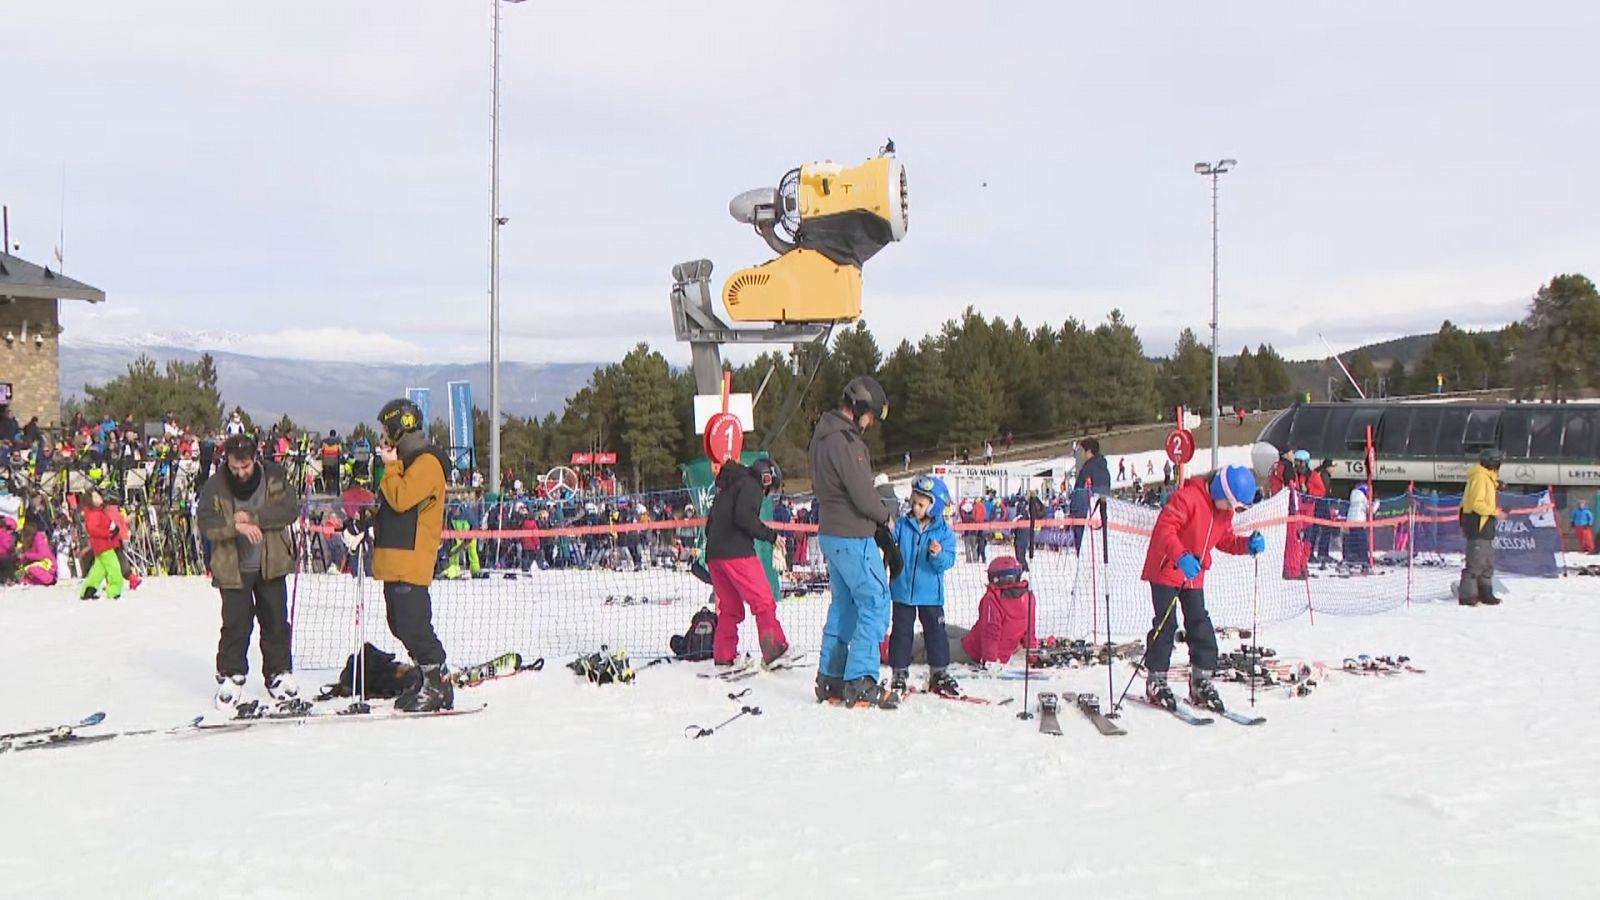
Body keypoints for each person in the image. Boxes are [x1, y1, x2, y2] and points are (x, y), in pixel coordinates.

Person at [1138, 465, 1266, 713]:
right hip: (1166, 566)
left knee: (1199, 621)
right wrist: (1181, 556)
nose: (1231, 511)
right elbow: (1165, 530)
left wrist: (1247, 545)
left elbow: (1225, 540)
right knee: (1166, 624)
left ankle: (1201, 680)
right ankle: (1156, 679)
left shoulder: (1223, 513)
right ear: (1220, 490)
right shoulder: (1186, 498)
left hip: (1193, 574)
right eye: (1230, 504)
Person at [809, 375, 898, 708]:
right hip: (853, 535)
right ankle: (860, 679)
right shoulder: (847, 443)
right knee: (875, 602)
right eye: (870, 414)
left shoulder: (821, 437)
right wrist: (883, 515)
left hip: (831, 534)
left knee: (844, 605)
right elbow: (862, 493)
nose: (870, 422)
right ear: (860, 406)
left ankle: (830, 675)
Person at [197, 434, 302, 709]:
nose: (241, 473)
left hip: (271, 563)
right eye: (235, 468)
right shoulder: (215, 486)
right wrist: (235, 527)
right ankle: (231, 674)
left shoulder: (274, 476)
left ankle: (278, 673)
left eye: (245, 467)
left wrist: (254, 518)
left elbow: (289, 509)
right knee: (235, 623)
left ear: (255, 458)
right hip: (233, 567)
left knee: (276, 620)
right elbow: (206, 522)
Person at [374, 398, 454, 710]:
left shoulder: (426, 463)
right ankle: (425, 677)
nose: (384, 438)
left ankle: (437, 682)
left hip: (411, 558)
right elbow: (393, 507)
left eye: (386, 430)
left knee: (414, 625)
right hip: (395, 557)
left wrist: (390, 465)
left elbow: (402, 498)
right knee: (399, 623)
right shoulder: (408, 463)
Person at [704, 456, 791, 666]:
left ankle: (723, 656)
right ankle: (774, 649)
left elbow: (709, 525)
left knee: (731, 608)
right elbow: (744, 517)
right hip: (737, 552)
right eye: (768, 492)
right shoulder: (751, 484)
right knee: (763, 601)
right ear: (767, 479)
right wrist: (772, 536)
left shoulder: (728, 487)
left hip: (715, 555)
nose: (766, 496)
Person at [887, 475, 958, 695]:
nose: (915, 508)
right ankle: (899, 672)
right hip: (902, 592)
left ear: (934, 506)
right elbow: (891, 541)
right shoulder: (903, 524)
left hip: (930, 595)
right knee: (901, 633)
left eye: (921, 504)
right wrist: (889, 531)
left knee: (935, 633)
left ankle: (939, 672)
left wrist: (938, 555)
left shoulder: (943, 532)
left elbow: (948, 561)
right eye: (913, 503)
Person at [961, 555, 1036, 665]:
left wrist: (990, 662)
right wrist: (1032, 653)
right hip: (981, 639)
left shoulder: (993, 598)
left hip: (974, 651)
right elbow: (1030, 628)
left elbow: (991, 633)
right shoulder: (1028, 596)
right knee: (945, 629)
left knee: (932, 642)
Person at [1458, 448, 1503, 606]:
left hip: (1486, 525)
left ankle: (1485, 593)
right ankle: (1467, 596)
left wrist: (1497, 485)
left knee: (1487, 562)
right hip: (1478, 524)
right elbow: (1477, 503)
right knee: (1476, 563)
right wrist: (1495, 511)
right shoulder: (1480, 478)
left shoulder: (1487, 478)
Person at [78, 489, 126, 600]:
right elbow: (93, 529)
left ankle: (88, 590)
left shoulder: (99, 512)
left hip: (103, 545)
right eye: (94, 497)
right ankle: (114, 591)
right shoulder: (93, 514)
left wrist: (114, 529)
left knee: (99, 570)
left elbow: (107, 523)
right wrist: (109, 533)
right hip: (104, 545)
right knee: (114, 568)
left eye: (98, 496)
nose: (98, 498)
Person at [1071, 438, 1111, 552]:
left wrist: (1072, 510)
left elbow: (1078, 494)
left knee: (1085, 551)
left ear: (1088, 452)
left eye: (1082, 451)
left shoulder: (1087, 469)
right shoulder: (1105, 470)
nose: (1081, 455)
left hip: (1085, 517)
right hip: (1101, 519)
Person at [1342, 482, 1373, 574]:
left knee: (1352, 543)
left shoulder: (1352, 496)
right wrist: (1377, 503)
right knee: (1362, 544)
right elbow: (1370, 510)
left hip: (1350, 522)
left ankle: (1350, 561)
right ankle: (1364, 563)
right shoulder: (1362, 498)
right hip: (1359, 522)